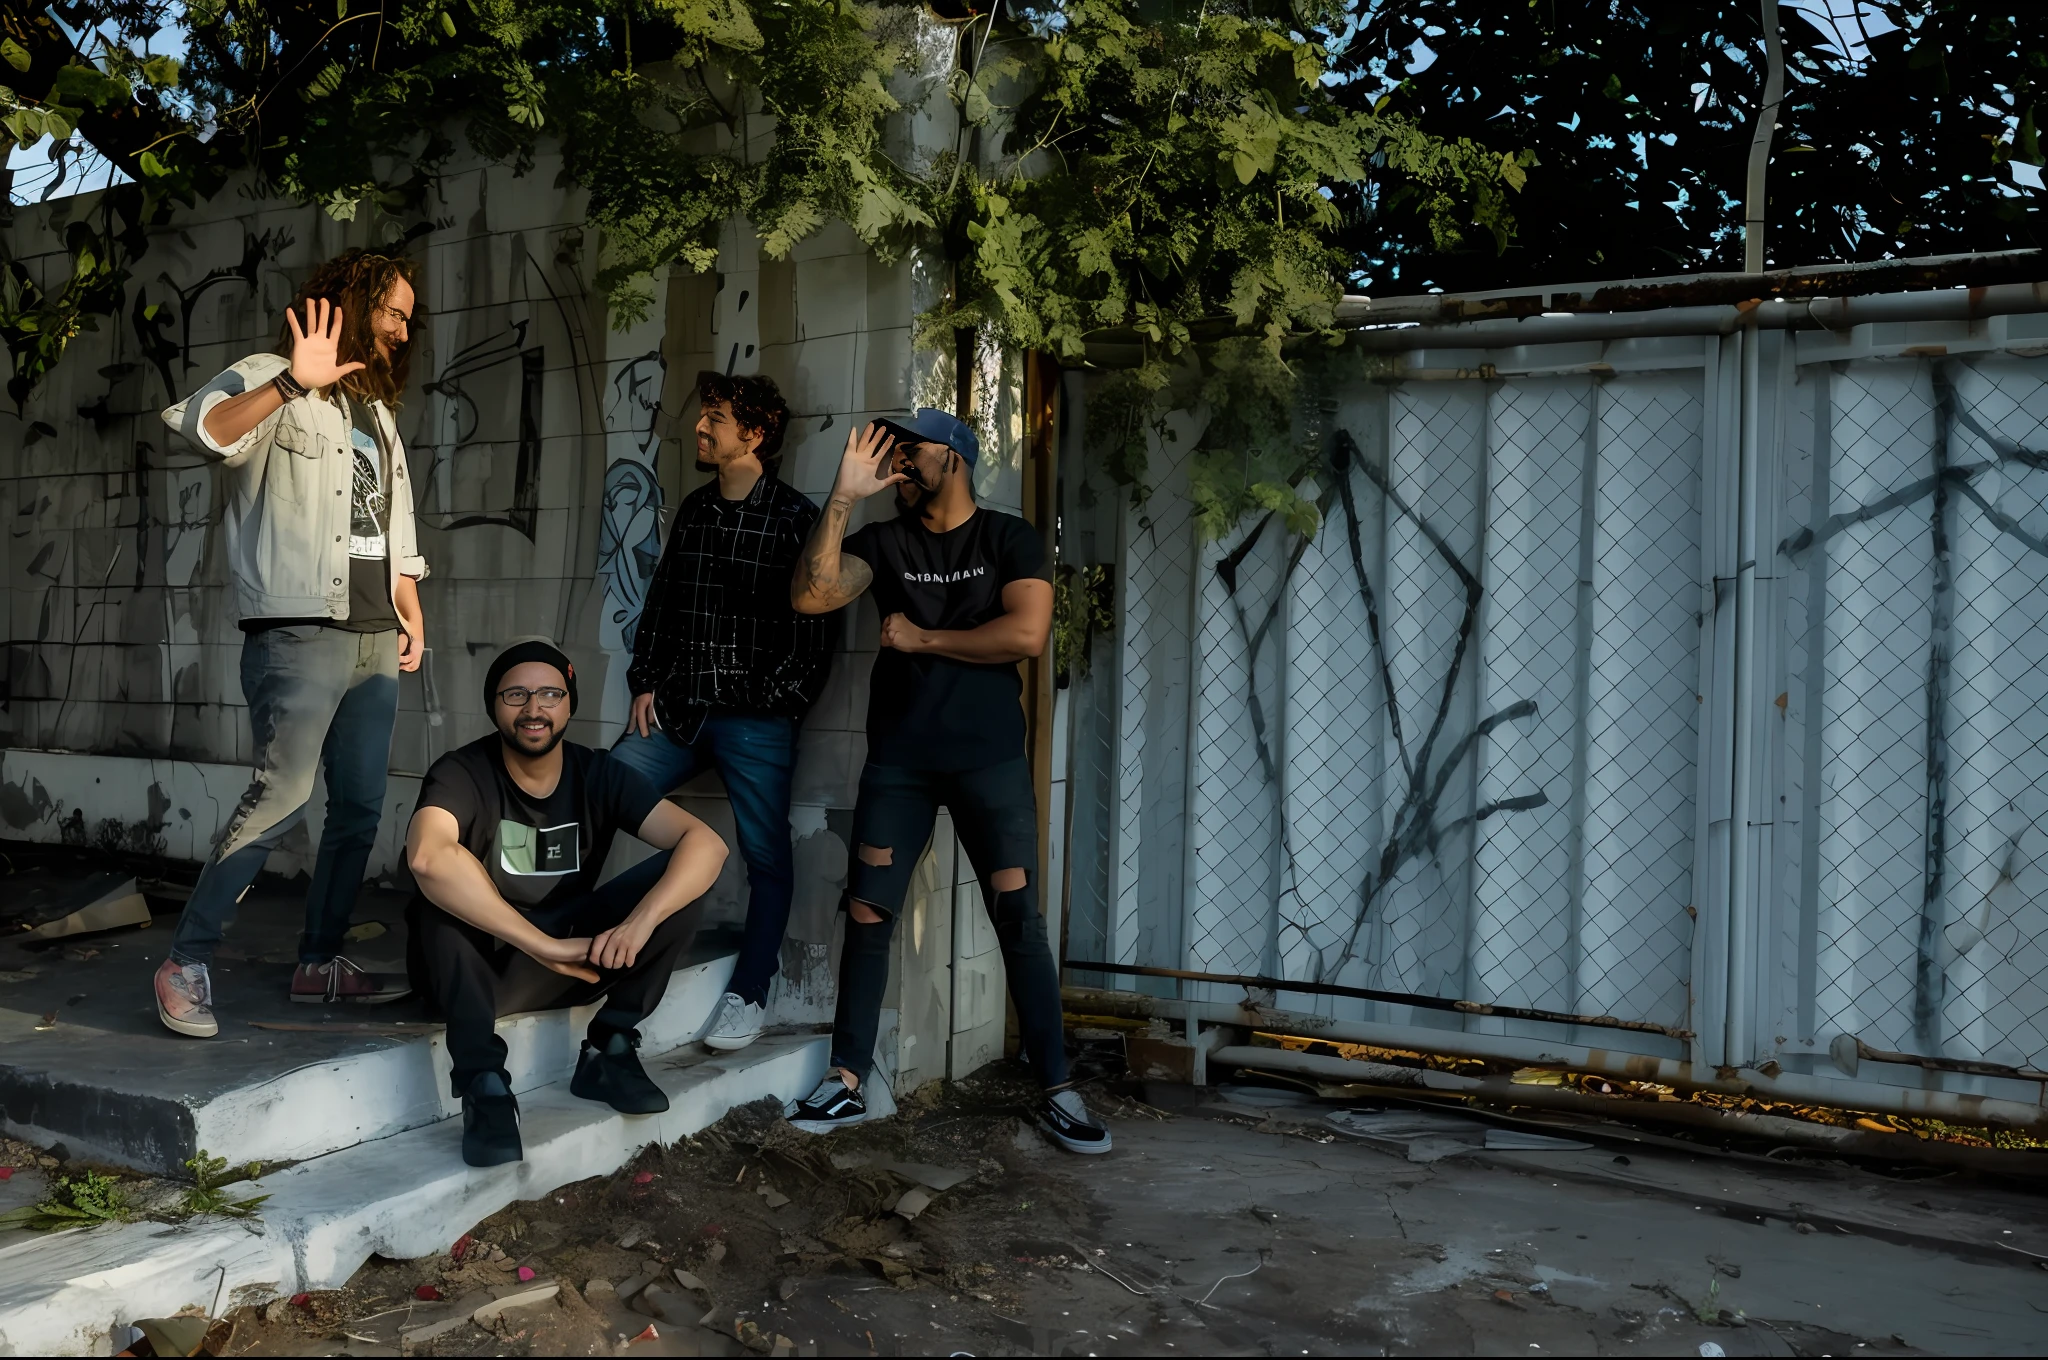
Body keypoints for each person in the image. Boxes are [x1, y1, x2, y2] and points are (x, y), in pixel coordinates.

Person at [786, 409, 1112, 1154]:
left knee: (1018, 916)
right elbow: (811, 596)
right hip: (899, 760)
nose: (898, 462)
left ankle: (1058, 1086)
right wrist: (843, 497)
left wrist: (923, 637)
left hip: (988, 759)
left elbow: (1026, 637)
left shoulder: (1008, 537)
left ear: (954, 460)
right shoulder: (882, 540)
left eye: (912, 452)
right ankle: (845, 1079)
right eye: (891, 453)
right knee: (868, 916)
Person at [153, 249, 430, 1038]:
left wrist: (412, 611)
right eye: (393, 311)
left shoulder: (378, 414)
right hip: (300, 630)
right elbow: (203, 433)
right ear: (352, 301)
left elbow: (392, 528)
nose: (403, 330)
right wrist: (290, 383)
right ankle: (185, 961)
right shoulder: (275, 375)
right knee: (281, 797)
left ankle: (320, 960)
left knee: (360, 809)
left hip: (376, 633)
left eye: (409, 317)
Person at [404, 641, 730, 1167]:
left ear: (569, 705)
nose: (533, 708)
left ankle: (610, 1047)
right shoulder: (461, 772)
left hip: (575, 961)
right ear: (494, 706)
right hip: (477, 971)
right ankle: (485, 1087)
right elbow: (426, 855)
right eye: (516, 694)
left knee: (682, 877)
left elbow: (707, 844)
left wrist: (638, 925)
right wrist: (540, 944)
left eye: (550, 693)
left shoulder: (597, 773)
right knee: (439, 902)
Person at [611, 372, 831, 1053]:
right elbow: (664, 602)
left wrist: (777, 706)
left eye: (715, 419)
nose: (700, 429)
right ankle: (548, 924)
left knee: (766, 857)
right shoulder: (696, 510)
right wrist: (644, 679)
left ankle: (750, 993)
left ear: (755, 435)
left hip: (756, 721)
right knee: (599, 791)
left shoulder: (796, 519)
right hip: (678, 709)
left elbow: (818, 636)